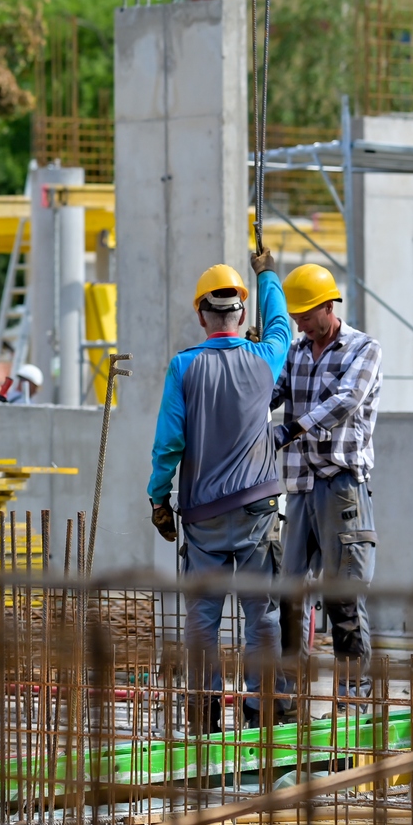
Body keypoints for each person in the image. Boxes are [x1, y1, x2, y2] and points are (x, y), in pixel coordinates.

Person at [148, 252, 289, 733]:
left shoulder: (184, 368)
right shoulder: (265, 358)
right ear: (241, 315)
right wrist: (267, 273)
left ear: (200, 315)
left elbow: (169, 442)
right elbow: (282, 326)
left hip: (203, 516)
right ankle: (261, 714)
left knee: (203, 622)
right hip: (257, 510)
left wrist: (158, 499)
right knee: (263, 617)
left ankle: (204, 719)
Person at [272, 263, 382, 711]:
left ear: (328, 305)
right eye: (295, 319)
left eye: (305, 316)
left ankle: (352, 702)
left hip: (340, 486)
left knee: (343, 597)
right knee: (290, 595)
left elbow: (346, 402)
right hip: (299, 486)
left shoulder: (363, 349)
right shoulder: (297, 351)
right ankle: (287, 700)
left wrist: (292, 428)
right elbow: (271, 392)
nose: (301, 325)